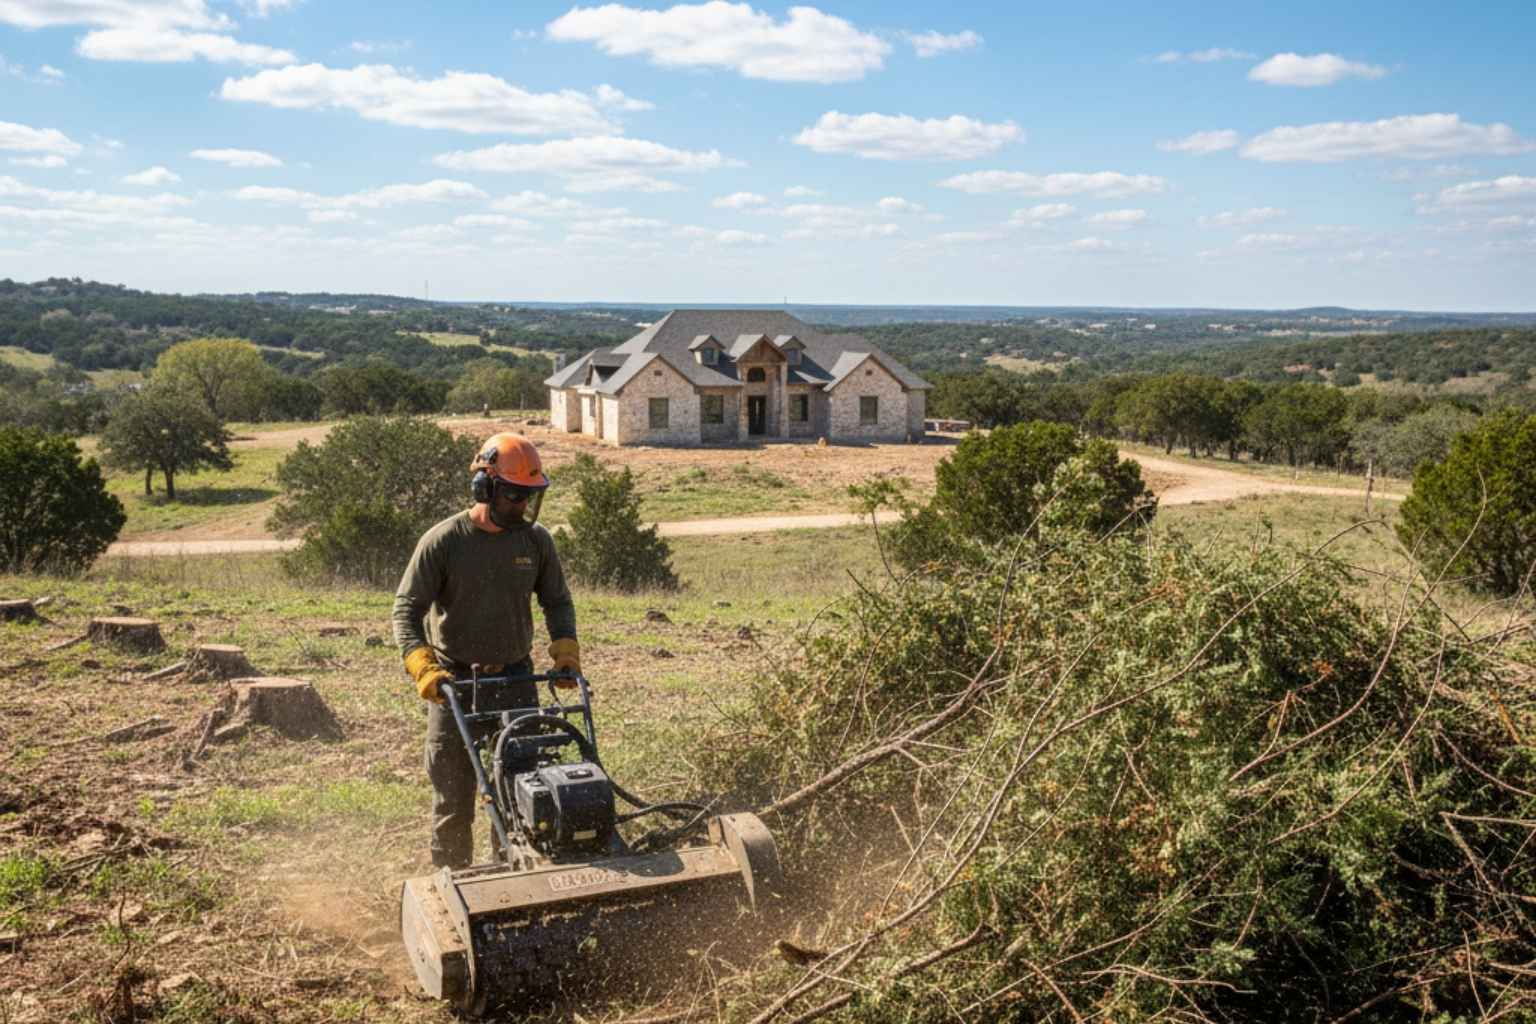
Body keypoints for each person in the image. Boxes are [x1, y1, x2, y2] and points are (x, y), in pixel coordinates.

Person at [392, 432, 580, 870]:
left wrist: (565, 650)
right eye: (514, 496)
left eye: (530, 497)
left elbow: (557, 600)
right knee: (453, 795)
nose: (522, 507)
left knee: (520, 790)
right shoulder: (444, 541)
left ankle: (513, 875)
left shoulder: (535, 542)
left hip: (516, 678)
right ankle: (450, 882)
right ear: (484, 487)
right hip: (454, 684)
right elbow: (406, 610)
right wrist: (423, 665)